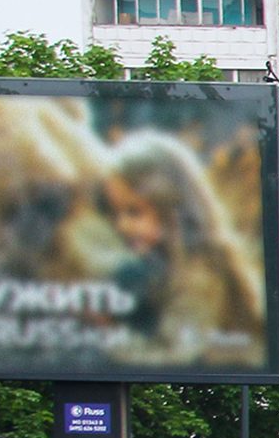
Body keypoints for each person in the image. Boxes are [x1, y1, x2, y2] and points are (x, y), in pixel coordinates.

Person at [99, 129, 263, 365]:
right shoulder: (164, 266)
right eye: (115, 213)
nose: (121, 226)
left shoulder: (202, 274)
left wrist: (103, 340)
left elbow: (176, 355)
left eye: (134, 212)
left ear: (170, 207)